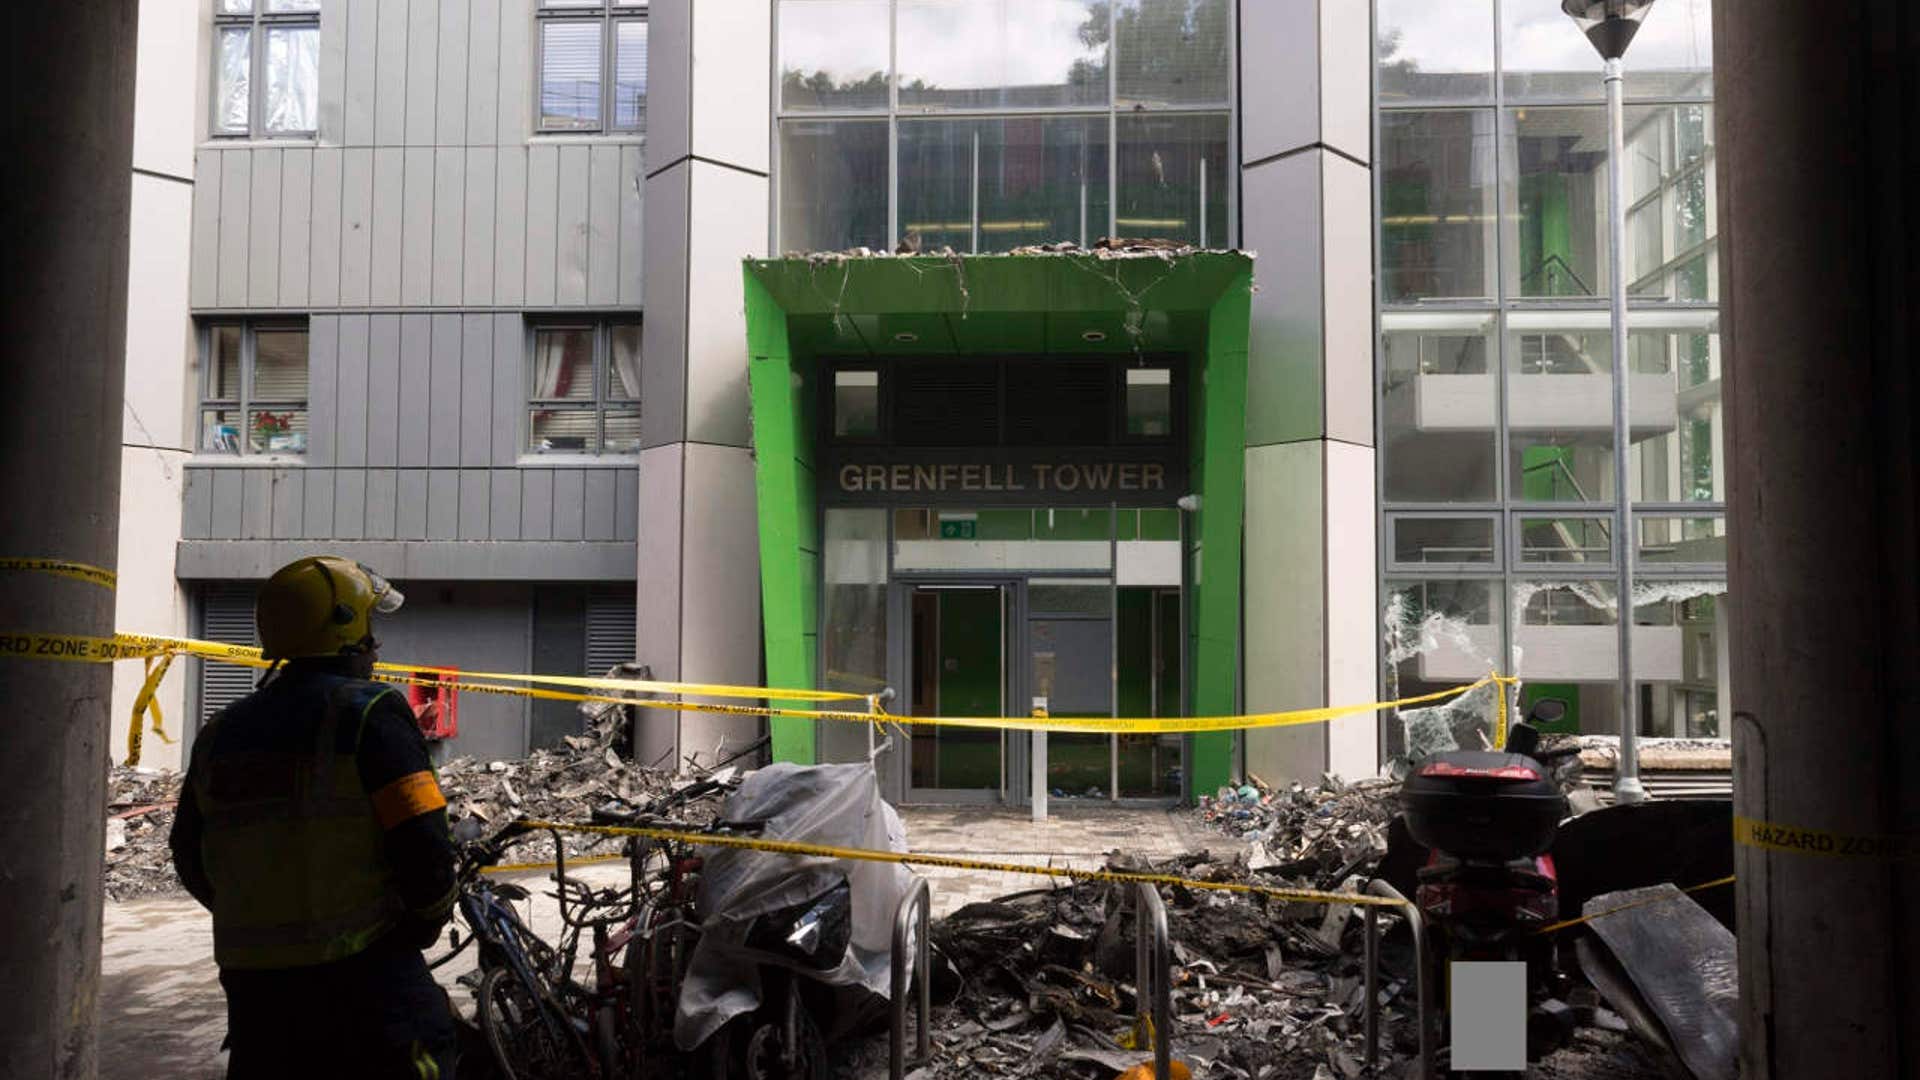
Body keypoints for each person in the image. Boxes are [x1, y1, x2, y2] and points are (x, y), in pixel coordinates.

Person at [170, 556, 459, 1079]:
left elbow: (188, 852)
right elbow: (423, 842)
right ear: (347, 630)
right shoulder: (370, 713)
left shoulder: (221, 731)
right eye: (371, 629)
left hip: (256, 990)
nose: (377, 647)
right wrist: (424, 922)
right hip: (364, 977)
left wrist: (259, 918)